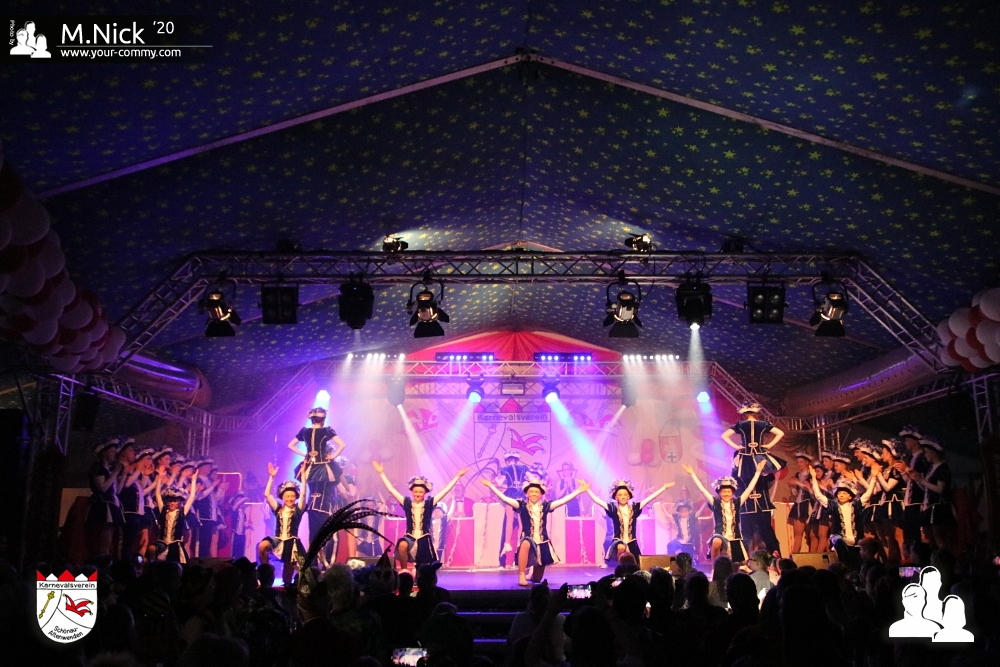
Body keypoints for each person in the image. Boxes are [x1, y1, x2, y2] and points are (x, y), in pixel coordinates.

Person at [480, 473, 589, 586]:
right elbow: (504, 498)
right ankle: (521, 575)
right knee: (526, 542)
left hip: (542, 541)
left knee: (537, 579)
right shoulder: (521, 505)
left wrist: (579, 491)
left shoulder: (545, 506)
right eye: (531, 491)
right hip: (528, 538)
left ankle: (532, 576)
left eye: (536, 492)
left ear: (541, 494)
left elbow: (562, 501)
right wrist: (491, 486)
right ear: (527, 493)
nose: (534, 494)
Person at [372, 461, 468, 570]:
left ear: (424, 493)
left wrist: (457, 476)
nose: (418, 494)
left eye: (420, 492)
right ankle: (404, 571)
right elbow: (391, 490)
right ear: (412, 492)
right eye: (416, 492)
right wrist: (381, 473)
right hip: (410, 537)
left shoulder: (429, 504)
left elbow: (445, 491)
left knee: (422, 568)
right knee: (402, 545)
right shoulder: (407, 503)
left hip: (424, 538)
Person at [722, 401, 785, 556]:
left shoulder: (741, 425)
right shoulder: (763, 424)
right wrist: (768, 446)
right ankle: (777, 558)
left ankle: (741, 560)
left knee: (741, 478)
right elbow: (780, 433)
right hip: (759, 455)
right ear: (756, 413)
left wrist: (737, 447)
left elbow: (724, 436)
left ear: (744, 414)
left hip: (745, 457)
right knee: (766, 530)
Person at [287, 407, 346, 566]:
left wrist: (305, 455)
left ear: (312, 419)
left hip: (310, 466)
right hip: (322, 464)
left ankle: (314, 562)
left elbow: (290, 445)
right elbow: (342, 445)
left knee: (312, 491)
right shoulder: (326, 430)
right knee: (326, 488)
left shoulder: (305, 431)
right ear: (323, 419)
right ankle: (325, 563)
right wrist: (332, 456)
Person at [682, 459, 767, 563]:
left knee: (739, 565)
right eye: (724, 492)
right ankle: (714, 568)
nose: (726, 494)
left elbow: (749, 489)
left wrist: (758, 472)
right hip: (720, 535)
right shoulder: (715, 502)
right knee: (716, 542)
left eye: (728, 491)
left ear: (732, 493)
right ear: (719, 493)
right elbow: (703, 490)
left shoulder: (737, 502)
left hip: (734, 538)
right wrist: (693, 474)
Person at [586, 478, 674, 562]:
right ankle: (621, 565)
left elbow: (648, 499)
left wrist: (664, 487)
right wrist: (587, 490)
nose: (623, 497)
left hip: (632, 541)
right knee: (621, 547)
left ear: (628, 496)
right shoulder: (613, 508)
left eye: (625, 495)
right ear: (616, 497)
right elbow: (597, 501)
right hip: (618, 540)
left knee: (637, 563)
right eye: (620, 495)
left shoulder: (634, 508)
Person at [808, 467, 874, 569]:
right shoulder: (833, 505)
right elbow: (819, 495)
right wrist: (813, 478)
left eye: (844, 493)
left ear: (850, 496)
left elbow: (868, 494)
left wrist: (874, 478)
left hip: (855, 542)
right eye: (839, 493)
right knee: (839, 544)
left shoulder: (856, 505)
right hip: (840, 540)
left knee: (856, 565)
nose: (841, 495)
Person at [258, 461, 310, 587]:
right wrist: (272, 477)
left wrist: (303, 476)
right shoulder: (278, 509)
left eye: (292, 496)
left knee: (287, 578)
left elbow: (303, 494)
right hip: (278, 540)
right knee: (262, 546)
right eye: (287, 496)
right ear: (283, 497)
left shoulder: (298, 509)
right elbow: (267, 495)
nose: (290, 498)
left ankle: (287, 588)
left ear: (295, 497)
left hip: (292, 543)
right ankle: (267, 571)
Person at [909, 435, 957, 552]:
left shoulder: (942, 468)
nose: (925, 455)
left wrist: (922, 481)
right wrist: (917, 479)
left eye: (926, 452)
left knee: (939, 536)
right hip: (929, 506)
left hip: (939, 507)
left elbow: (940, 489)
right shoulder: (931, 468)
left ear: (933, 452)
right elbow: (927, 488)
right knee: (930, 537)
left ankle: (943, 557)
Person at [86, 438, 125, 558]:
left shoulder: (110, 469)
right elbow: (102, 488)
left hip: (112, 503)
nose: (114, 453)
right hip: (102, 504)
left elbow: (117, 491)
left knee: (110, 534)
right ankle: (101, 559)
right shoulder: (97, 467)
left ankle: (105, 558)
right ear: (104, 452)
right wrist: (115, 473)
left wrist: (123, 474)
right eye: (112, 450)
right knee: (104, 534)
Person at [869, 439, 906, 563]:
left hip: (895, 503)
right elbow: (879, 489)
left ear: (890, 453)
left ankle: (905, 564)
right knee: (888, 535)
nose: (881, 455)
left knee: (898, 535)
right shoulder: (886, 469)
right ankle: (891, 563)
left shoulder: (896, 467)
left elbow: (888, 487)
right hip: (885, 503)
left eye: (884, 452)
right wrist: (875, 475)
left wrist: (878, 475)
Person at [893, 425, 930, 545]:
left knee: (918, 534)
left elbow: (921, 479)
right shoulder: (910, 458)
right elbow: (909, 481)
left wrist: (906, 469)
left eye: (908, 440)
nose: (906, 443)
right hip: (910, 501)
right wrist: (903, 471)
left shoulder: (923, 458)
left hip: (918, 500)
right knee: (909, 533)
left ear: (916, 441)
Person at [153, 471, 199, 563]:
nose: (172, 503)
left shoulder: (182, 512)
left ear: (179, 502)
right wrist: (159, 478)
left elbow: (191, 497)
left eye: (174, 501)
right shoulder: (164, 510)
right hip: (162, 543)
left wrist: (193, 480)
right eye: (170, 501)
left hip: (175, 544)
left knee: (176, 562)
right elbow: (157, 494)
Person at [496, 451, 531, 565]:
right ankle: (520, 542)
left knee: (509, 520)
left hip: (510, 493)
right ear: (516, 460)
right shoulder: (523, 468)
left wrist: (497, 481)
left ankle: (507, 543)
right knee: (521, 521)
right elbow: (532, 478)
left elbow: (499, 482)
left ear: (507, 461)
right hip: (521, 494)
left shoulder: (504, 469)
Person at [787, 450, 813, 554]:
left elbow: (811, 489)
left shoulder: (811, 474)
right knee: (797, 534)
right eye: (798, 462)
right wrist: (791, 486)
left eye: (801, 462)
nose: (799, 464)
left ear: (807, 462)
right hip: (798, 504)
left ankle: (814, 556)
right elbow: (795, 493)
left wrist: (798, 483)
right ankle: (794, 556)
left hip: (809, 504)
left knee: (811, 534)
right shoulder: (797, 475)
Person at [806, 459, 833, 552]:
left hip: (826, 510)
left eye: (818, 471)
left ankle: (820, 556)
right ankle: (813, 557)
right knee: (813, 535)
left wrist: (822, 486)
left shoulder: (827, 481)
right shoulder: (817, 482)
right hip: (818, 510)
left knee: (823, 534)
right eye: (815, 471)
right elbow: (816, 498)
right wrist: (810, 488)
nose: (816, 473)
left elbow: (831, 495)